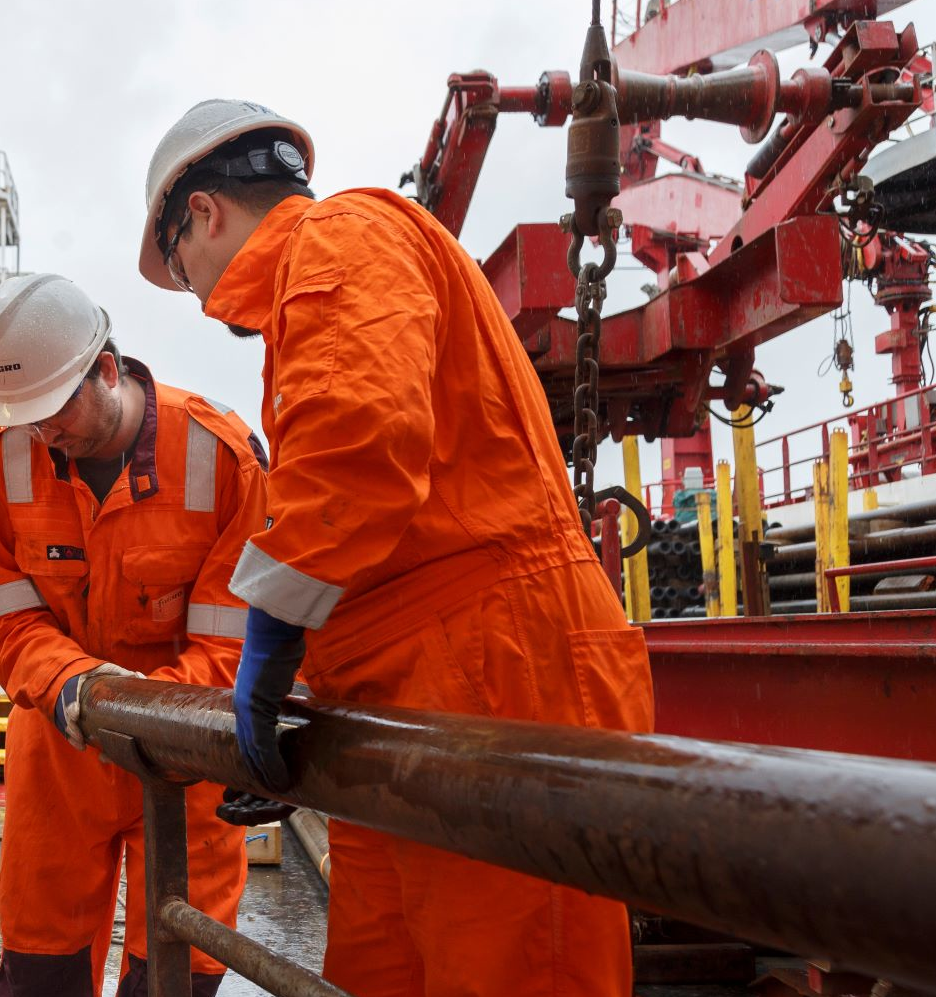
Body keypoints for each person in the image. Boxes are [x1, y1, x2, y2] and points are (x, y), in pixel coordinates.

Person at [138, 99, 656, 997]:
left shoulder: (338, 237)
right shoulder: (320, 285)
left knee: (513, 965)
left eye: (183, 269)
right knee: (386, 970)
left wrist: (272, 636)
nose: (197, 294)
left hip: (493, 668)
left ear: (204, 214)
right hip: (415, 682)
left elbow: (359, 445)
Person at [0, 273, 268, 997]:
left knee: (172, 977)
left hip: (187, 754)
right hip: (60, 746)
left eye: (52, 410)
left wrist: (134, 713)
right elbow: (10, 621)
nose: (40, 433)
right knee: (40, 972)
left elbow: (232, 645)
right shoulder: (0, 464)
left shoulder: (222, 457)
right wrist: (79, 687)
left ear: (105, 368)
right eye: (22, 414)